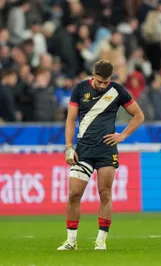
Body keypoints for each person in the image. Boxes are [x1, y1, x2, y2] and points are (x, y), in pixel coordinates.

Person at [57, 60, 145, 251]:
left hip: (106, 149)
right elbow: (71, 120)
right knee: (74, 194)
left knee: (105, 193)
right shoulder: (80, 89)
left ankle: (101, 241)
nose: (103, 86)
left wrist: (123, 135)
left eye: (106, 82)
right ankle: (71, 241)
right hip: (84, 150)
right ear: (93, 75)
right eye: (99, 82)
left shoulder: (117, 91)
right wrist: (68, 147)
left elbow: (139, 115)